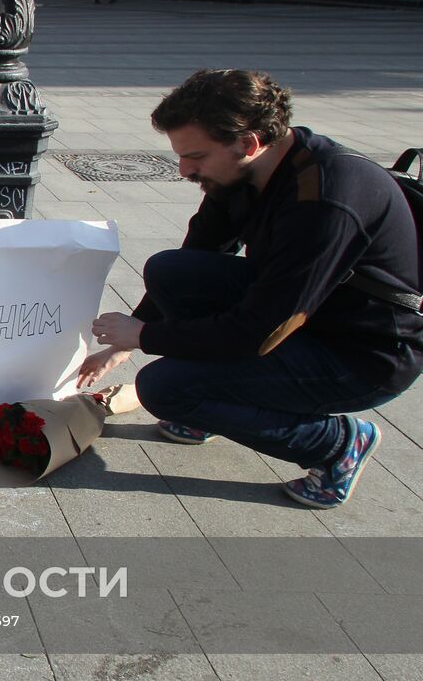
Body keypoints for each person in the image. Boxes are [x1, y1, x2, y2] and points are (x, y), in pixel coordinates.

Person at [78, 69, 423, 509]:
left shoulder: (324, 199)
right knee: (171, 270)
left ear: (248, 143)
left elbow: (258, 330)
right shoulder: (243, 173)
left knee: (162, 388)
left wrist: (144, 337)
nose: (184, 169)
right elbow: (201, 250)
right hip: (306, 315)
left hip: (363, 355)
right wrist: (124, 342)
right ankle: (211, 399)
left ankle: (336, 444)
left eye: (196, 156)